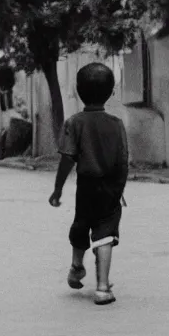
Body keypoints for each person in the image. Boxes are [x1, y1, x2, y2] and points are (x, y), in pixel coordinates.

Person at [49, 63, 128, 306]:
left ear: (78, 89)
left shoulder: (74, 122)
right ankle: (103, 288)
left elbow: (67, 158)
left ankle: (76, 266)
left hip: (86, 187)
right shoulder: (117, 124)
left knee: (81, 225)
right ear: (111, 92)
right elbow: (123, 161)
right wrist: (119, 190)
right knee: (105, 234)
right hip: (110, 188)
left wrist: (58, 188)